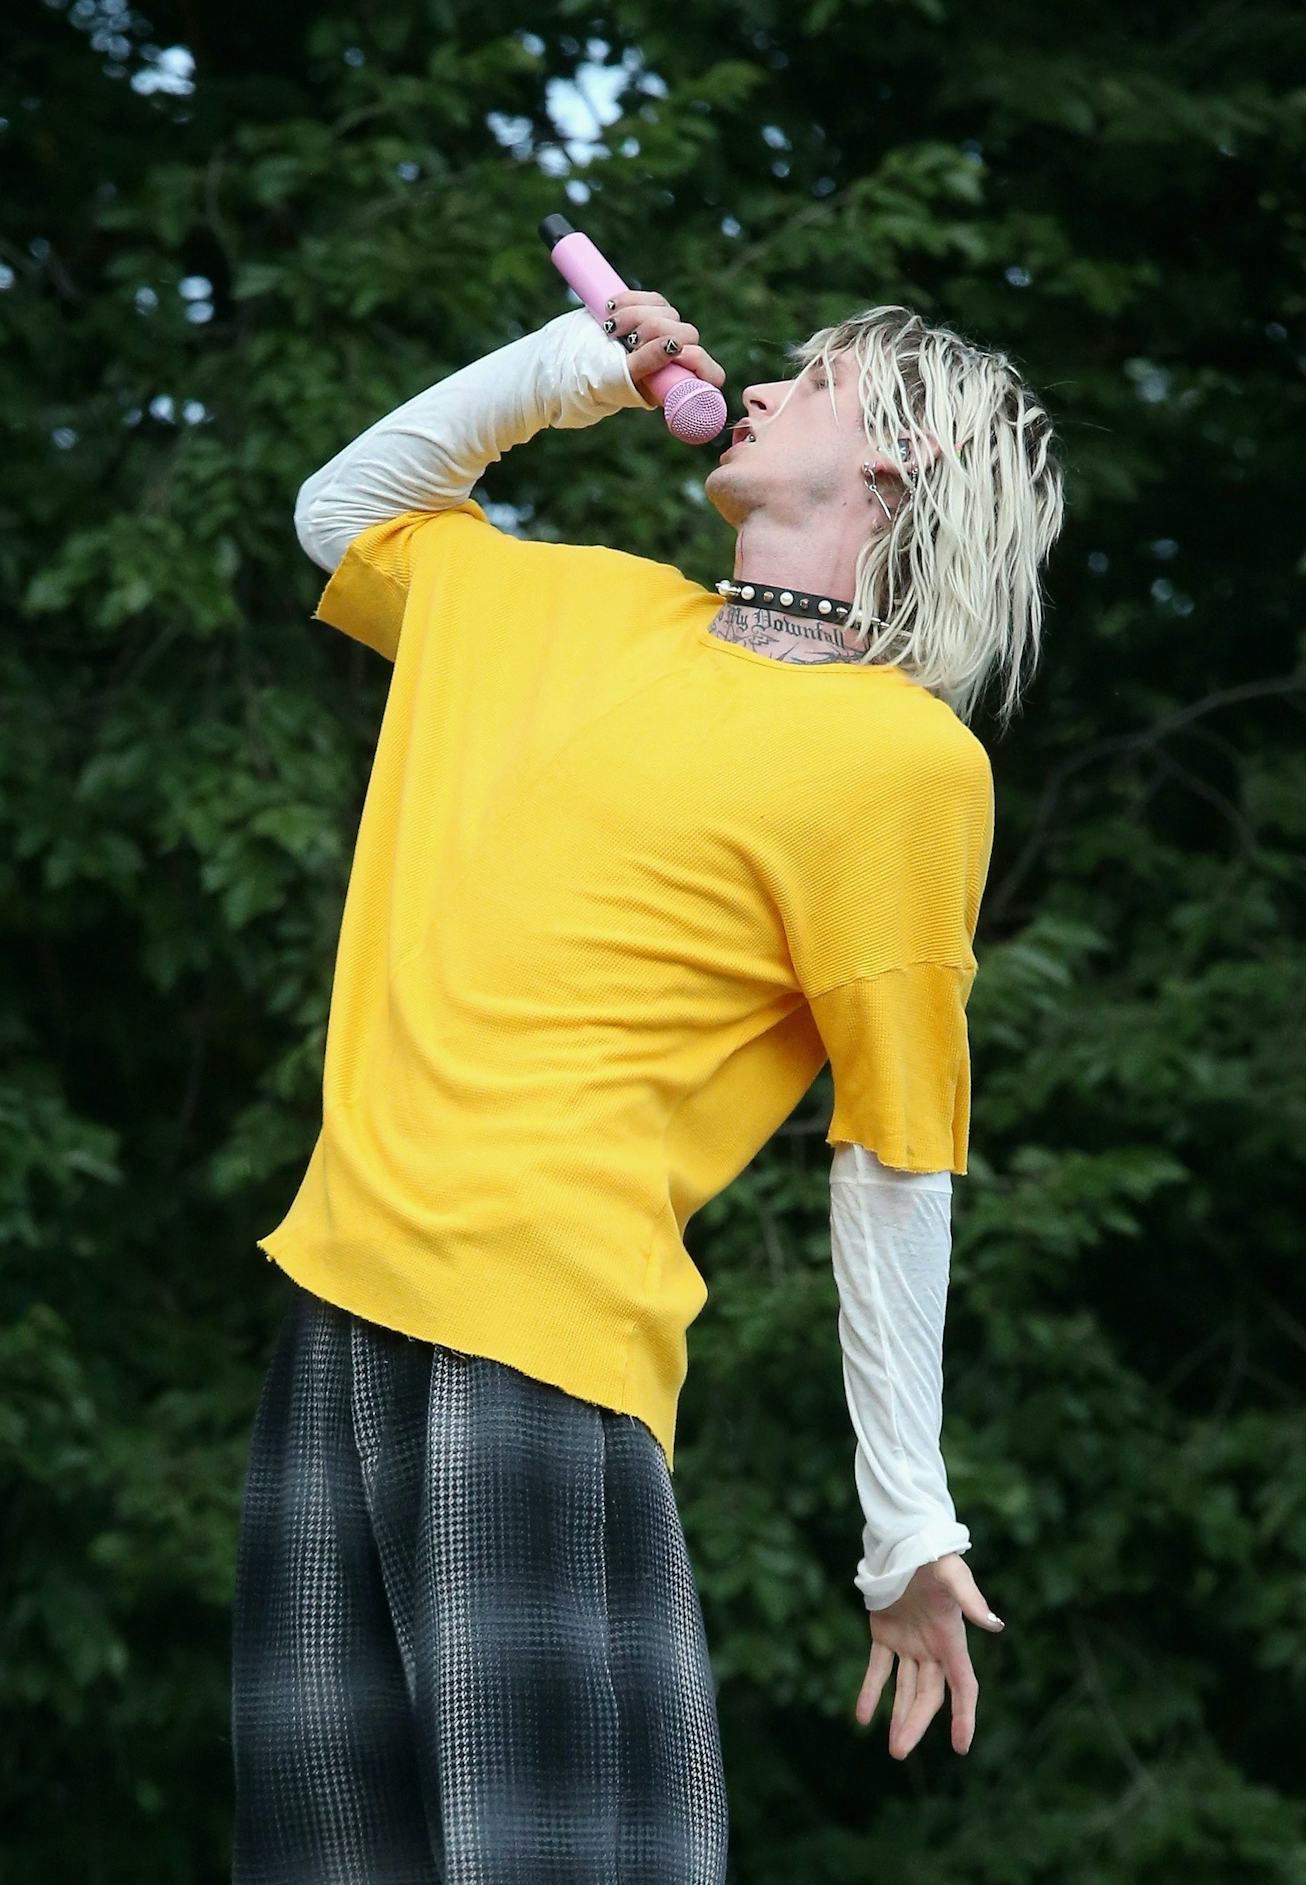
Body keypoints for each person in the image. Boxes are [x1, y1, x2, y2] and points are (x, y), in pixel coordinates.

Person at [230, 283, 1065, 1882]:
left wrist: (909, 1521)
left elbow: (893, 1158)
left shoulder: (900, 761)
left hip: (539, 1336)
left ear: (905, 459)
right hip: (334, 1302)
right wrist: (569, 371)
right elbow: (338, 509)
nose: (757, 384)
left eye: (814, 382)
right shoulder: (570, 604)